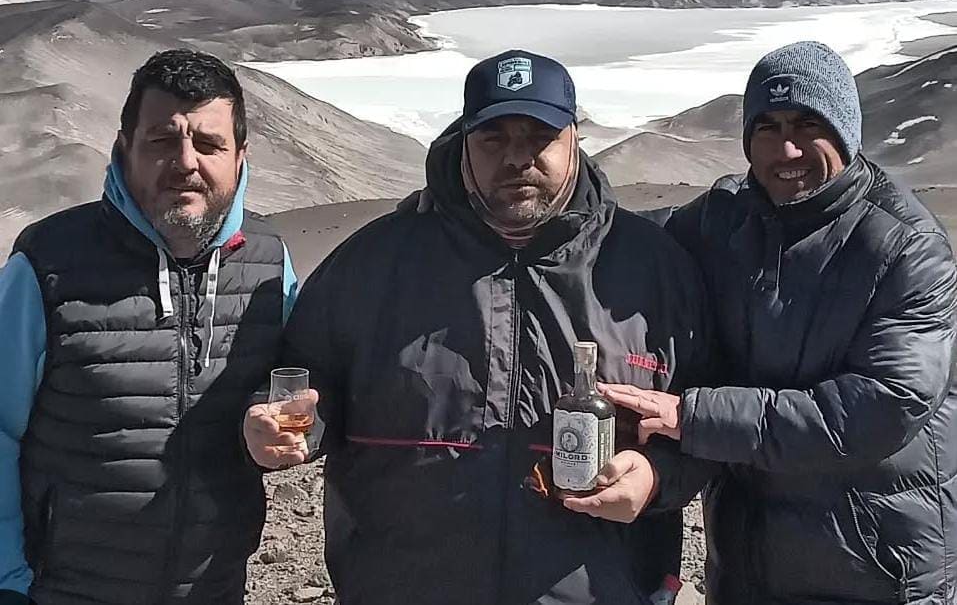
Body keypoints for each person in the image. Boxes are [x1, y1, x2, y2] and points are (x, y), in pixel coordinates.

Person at [245, 49, 714, 605]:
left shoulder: (653, 269)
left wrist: (657, 477)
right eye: (494, 139)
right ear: (463, 142)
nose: (517, 158)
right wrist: (285, 426)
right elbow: (304, 378)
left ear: (575, 139)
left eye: (539, 137)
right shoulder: (373, 262)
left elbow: (706, 416)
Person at [603, 41, 957, 604]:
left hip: (872, 572)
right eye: (767, 127)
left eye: (808, 124)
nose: (786, 148)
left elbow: (880, 408)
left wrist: (692, 416)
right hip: (746, 569)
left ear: (846, 131)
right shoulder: (724, 220)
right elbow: (620, 237)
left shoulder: (905, 249)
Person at [0, 49, 297, 605]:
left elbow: (301, 382)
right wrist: (7, 581)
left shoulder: (270, 264)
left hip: (212, 590)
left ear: (241, 157)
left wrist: (276, 420)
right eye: (162, 140)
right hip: (66, 591)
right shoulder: (47, 265)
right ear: (123, 149)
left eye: (209, 144)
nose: (185, 162)